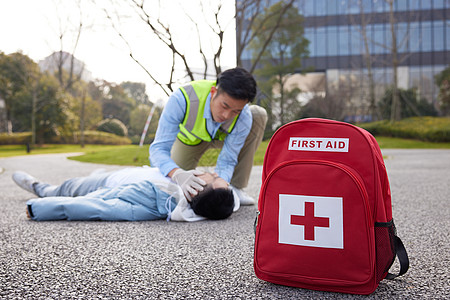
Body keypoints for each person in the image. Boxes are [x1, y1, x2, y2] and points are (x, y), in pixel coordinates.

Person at [150, 67, 267, 205]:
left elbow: (228, 160)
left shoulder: (244, 116)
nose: (226, 115)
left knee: (258, 114)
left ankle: (236, 187)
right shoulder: (182, 99)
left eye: (235, 111)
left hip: (221, 139)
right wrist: (176, 173)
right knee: (172, 187)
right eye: (224, 106)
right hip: (190, 141)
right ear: (213, 92)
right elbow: (158, 149)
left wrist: (222, 183)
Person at [12, 167, 237, 222]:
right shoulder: (213, 198)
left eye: (214, 178)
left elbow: (99, 206)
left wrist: (40, 208)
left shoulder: (156, 201)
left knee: (65, 188)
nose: (214, 173)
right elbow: (231, 200)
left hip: (104, 184)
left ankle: (39, 188)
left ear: (197, 188)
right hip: (124, 173)